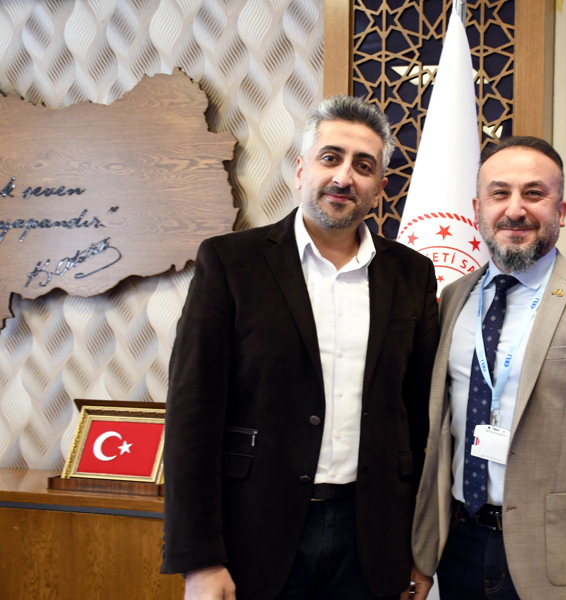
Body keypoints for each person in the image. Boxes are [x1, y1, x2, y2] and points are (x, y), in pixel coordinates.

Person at [161, 95, 439, 600]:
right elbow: (192, 416)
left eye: (364, 166)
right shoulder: (231, 263)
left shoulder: (412, 274)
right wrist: (199, 559)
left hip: (373, 540)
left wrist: (420, 547)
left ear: (379, 187)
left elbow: (422, 419)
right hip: (255, 535)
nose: (344, 177)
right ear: (300, 170)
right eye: (330, 158)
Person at [410, 136, 566, 600]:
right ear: (477, 209)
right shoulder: (453, 298)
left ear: (561, 211)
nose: (515, 209)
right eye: (499, 193)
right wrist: (423, 549)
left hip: (560, 564)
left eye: (534, 193)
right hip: (458, 546)